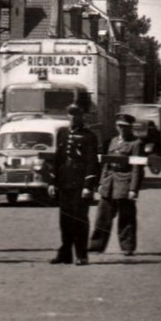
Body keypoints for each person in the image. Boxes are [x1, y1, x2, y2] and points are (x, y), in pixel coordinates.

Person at [51, 104, 100, 265]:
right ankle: (65, 253)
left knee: (79, 220)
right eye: (70, 114)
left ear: (82, 117)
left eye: (76, 115)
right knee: (64, 220)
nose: (73, 118)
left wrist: (88, 185)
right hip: (64, 182)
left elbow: (92, 162)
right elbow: (57, 159)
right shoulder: (62, 133)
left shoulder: (89, 136)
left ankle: (81, 254)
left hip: (79, 183)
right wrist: (53, 182)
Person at [90, 114, 144, 257]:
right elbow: (106, 164)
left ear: (130, 128)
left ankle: (127, 247)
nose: (122, 129)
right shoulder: (113, 141)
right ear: (116, 126)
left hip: (125, 182)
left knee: (126, 217)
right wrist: (101, 182)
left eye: (125, 127)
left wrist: (133, 189)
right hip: (110, 182)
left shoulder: (136, 144)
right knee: (102, 216)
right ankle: (96, 246)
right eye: (119, 126)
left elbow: (137, 169)